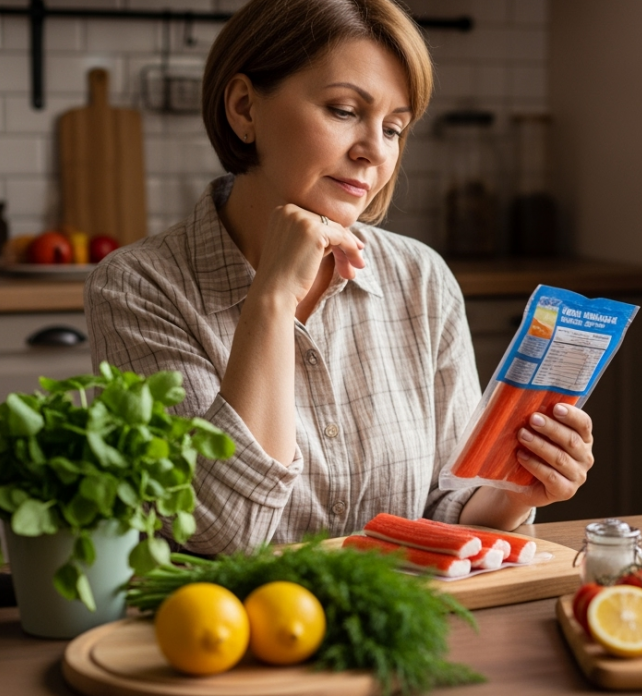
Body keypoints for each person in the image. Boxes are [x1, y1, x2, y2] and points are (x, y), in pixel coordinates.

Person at [85, 0, 596, 555]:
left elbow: (443, 509)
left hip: (402, 630)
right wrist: (272, 300)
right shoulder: (136, 287)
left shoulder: (421, 278)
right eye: (344, 110)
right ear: (243, 108)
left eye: (395, 127)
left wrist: (518, 489)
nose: (374, 150)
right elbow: (217, 534)